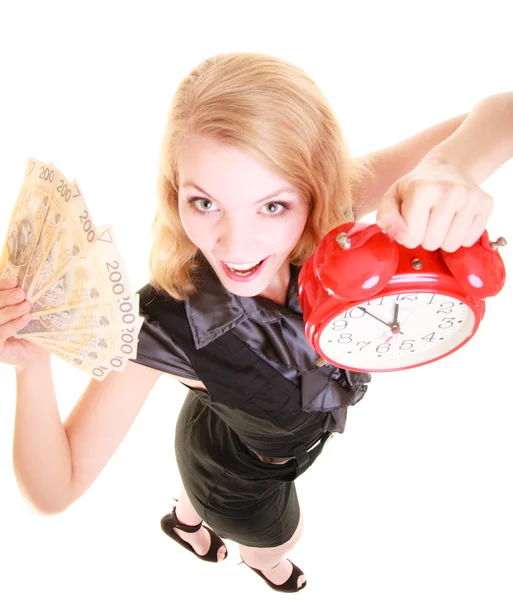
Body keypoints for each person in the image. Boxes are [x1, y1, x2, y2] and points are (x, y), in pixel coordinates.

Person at [2, 53, 512, 593]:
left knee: (203, 484)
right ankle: (253, 555)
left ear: (314, 188)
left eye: (271, 206)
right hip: (242, 485)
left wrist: (451, 167)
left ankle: (186, 516)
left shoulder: (333, 209)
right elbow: (54, 491)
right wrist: (28, 364)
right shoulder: (162, 318)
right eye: (204, 202)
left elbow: (504, 113)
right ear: (174, 192)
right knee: (276, 541)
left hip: (217, 434)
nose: (236, 245)